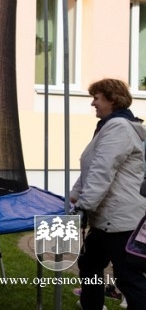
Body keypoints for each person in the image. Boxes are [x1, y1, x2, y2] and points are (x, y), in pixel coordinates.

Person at [70, 78, 146, 310]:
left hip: (120, 220)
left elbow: (103, 171)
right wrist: (74, 195)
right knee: (90, 265)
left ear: (112, 99)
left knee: (127, 278)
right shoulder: (110, 126)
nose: (93, 103)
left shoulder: (118, 127)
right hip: (107, 220)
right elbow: (93, 167)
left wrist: (84, 206)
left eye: (97, 98)